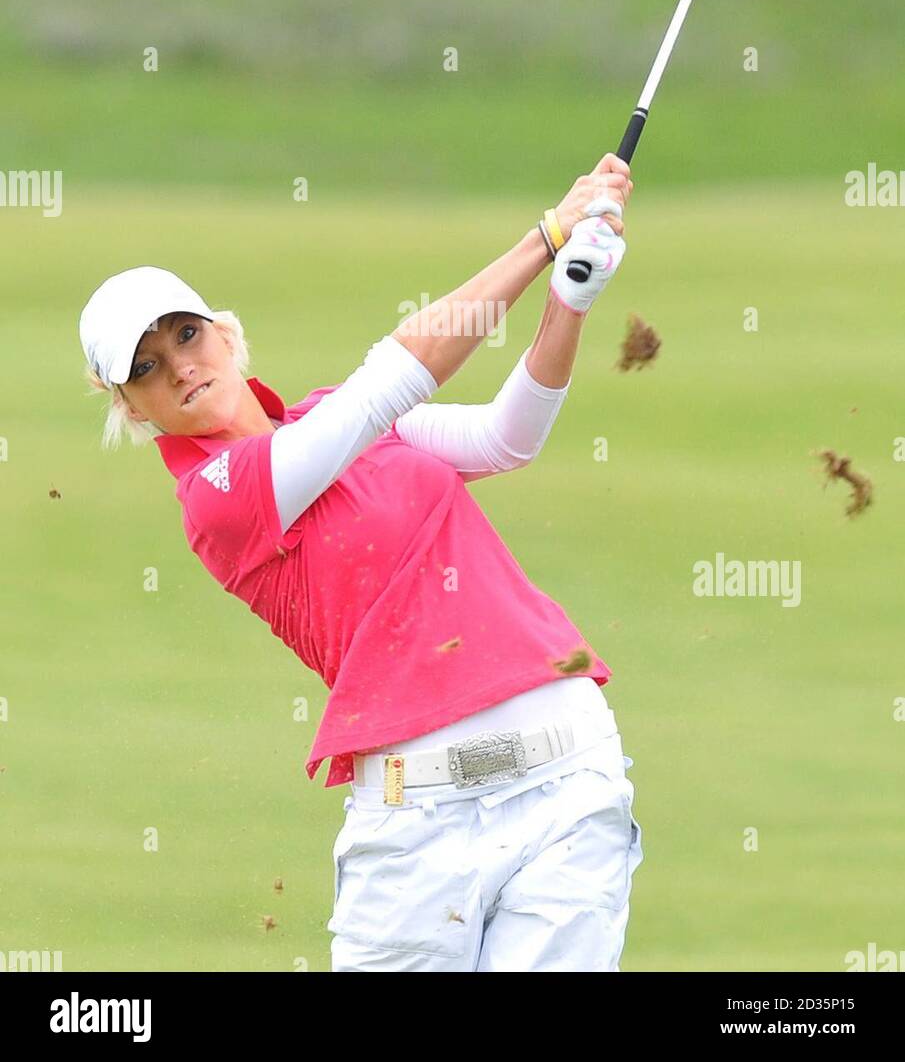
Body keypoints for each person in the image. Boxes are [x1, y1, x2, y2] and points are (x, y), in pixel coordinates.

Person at [77, 153, 643, 973]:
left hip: (565, 774)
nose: (181, 366)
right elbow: (387, 384)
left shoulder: (328, 421)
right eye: (147, 368)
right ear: (130, 407)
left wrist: (570, 299)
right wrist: (546, 237)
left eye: (186, 335)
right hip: (418, 830)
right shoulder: (218, 497)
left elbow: (506, 438)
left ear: (225, 333)